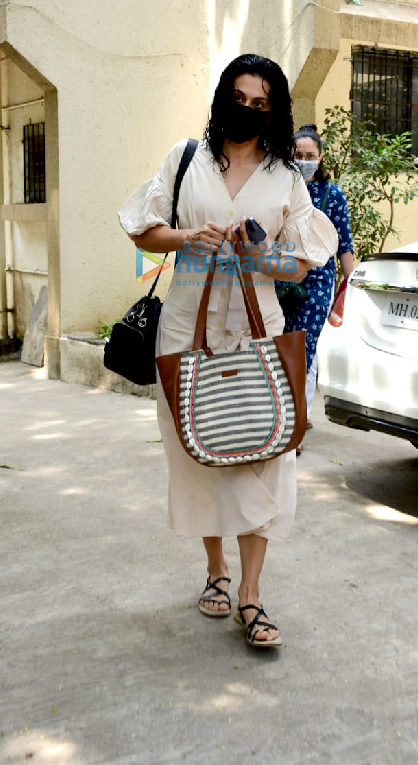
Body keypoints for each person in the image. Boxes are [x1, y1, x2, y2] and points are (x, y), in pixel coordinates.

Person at [118, 55, 338, 648]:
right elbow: (142, 229)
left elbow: (301, 263)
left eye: (260, 103)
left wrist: (257, 256)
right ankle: (216, 570)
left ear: (275, 112)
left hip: (257, 332)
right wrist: (189, 236)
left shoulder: (286, 177)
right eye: (239, 97)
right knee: (201, 454)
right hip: (186, 329)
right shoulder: (185, 159)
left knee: (266, 455)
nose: (248, 109)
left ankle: (251, 593)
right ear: (222, 99)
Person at [281, 124, 355, 448]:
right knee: (282, 348)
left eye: (310, 155)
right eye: (298, 154)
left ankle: (294, 430)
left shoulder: (331, 195)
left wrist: (349, 287)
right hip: (281, 280)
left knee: (303, 351)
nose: (304, 160)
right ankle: (286, 417)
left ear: (321, 157)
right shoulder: (281, 188)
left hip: (317, 284)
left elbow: (344, 246)